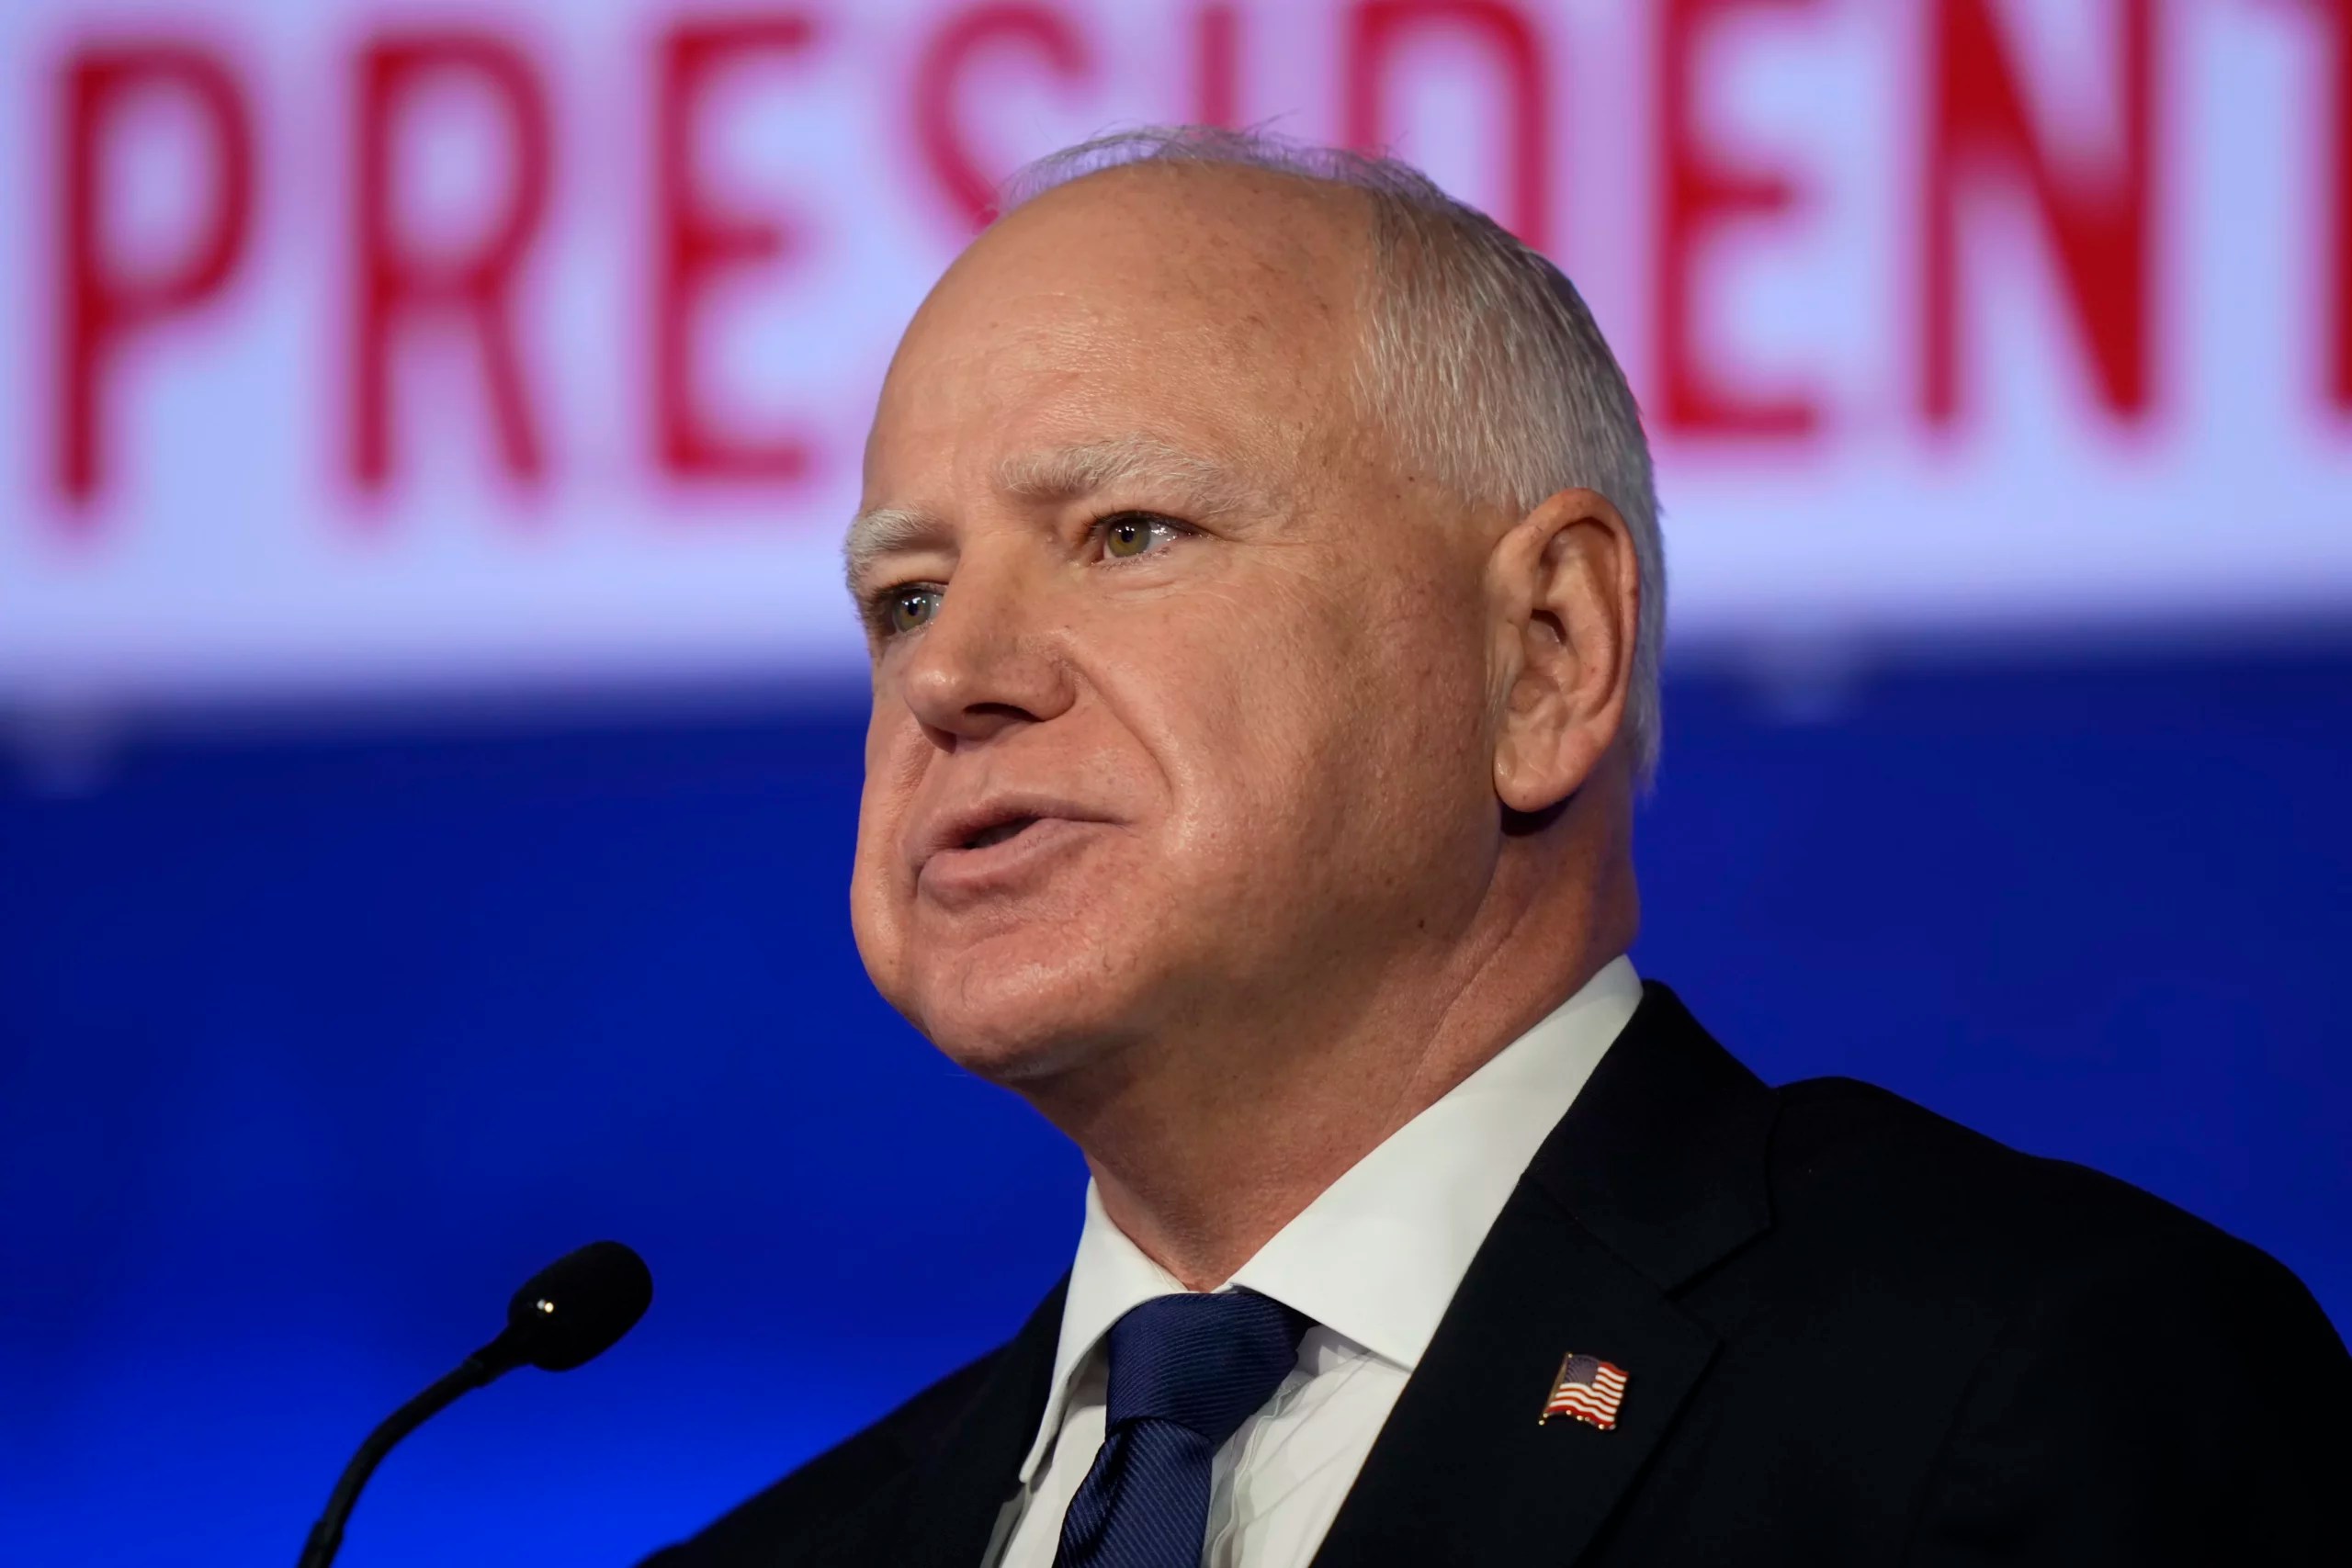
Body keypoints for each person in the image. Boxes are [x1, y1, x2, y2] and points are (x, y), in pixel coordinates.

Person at [642, 127, 2347, 1567]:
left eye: (1127, 531)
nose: (949, 676)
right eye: (905, 596)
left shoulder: (2028, 1394)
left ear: (1545, 656)